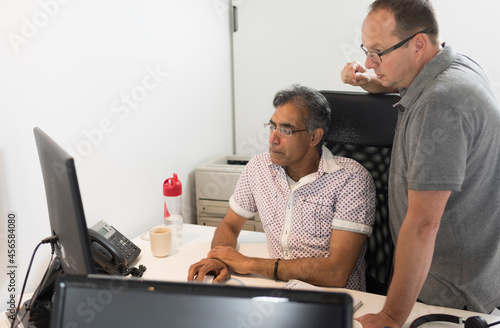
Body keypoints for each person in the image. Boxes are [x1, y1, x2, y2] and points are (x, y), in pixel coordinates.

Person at [340, 0, 500, 326]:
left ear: (418, 44)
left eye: (378, 52)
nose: (369, 63)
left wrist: (389, 316)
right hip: (470, 278)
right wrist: (373, 83)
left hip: (449, 298)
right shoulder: (453, 64)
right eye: (366, 50)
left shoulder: (440, 104)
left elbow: (424, 225)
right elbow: (411, 77)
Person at [188, 85, 376, 291]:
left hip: (335, 299)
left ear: (314, 137)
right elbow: (230, 225)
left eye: (286, 130)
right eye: (272, 127)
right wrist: (220, 257)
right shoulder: (259, 168)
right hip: (279, 291)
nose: (272, 139)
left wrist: (250, 264)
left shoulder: (351, 178)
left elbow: (336, 273)